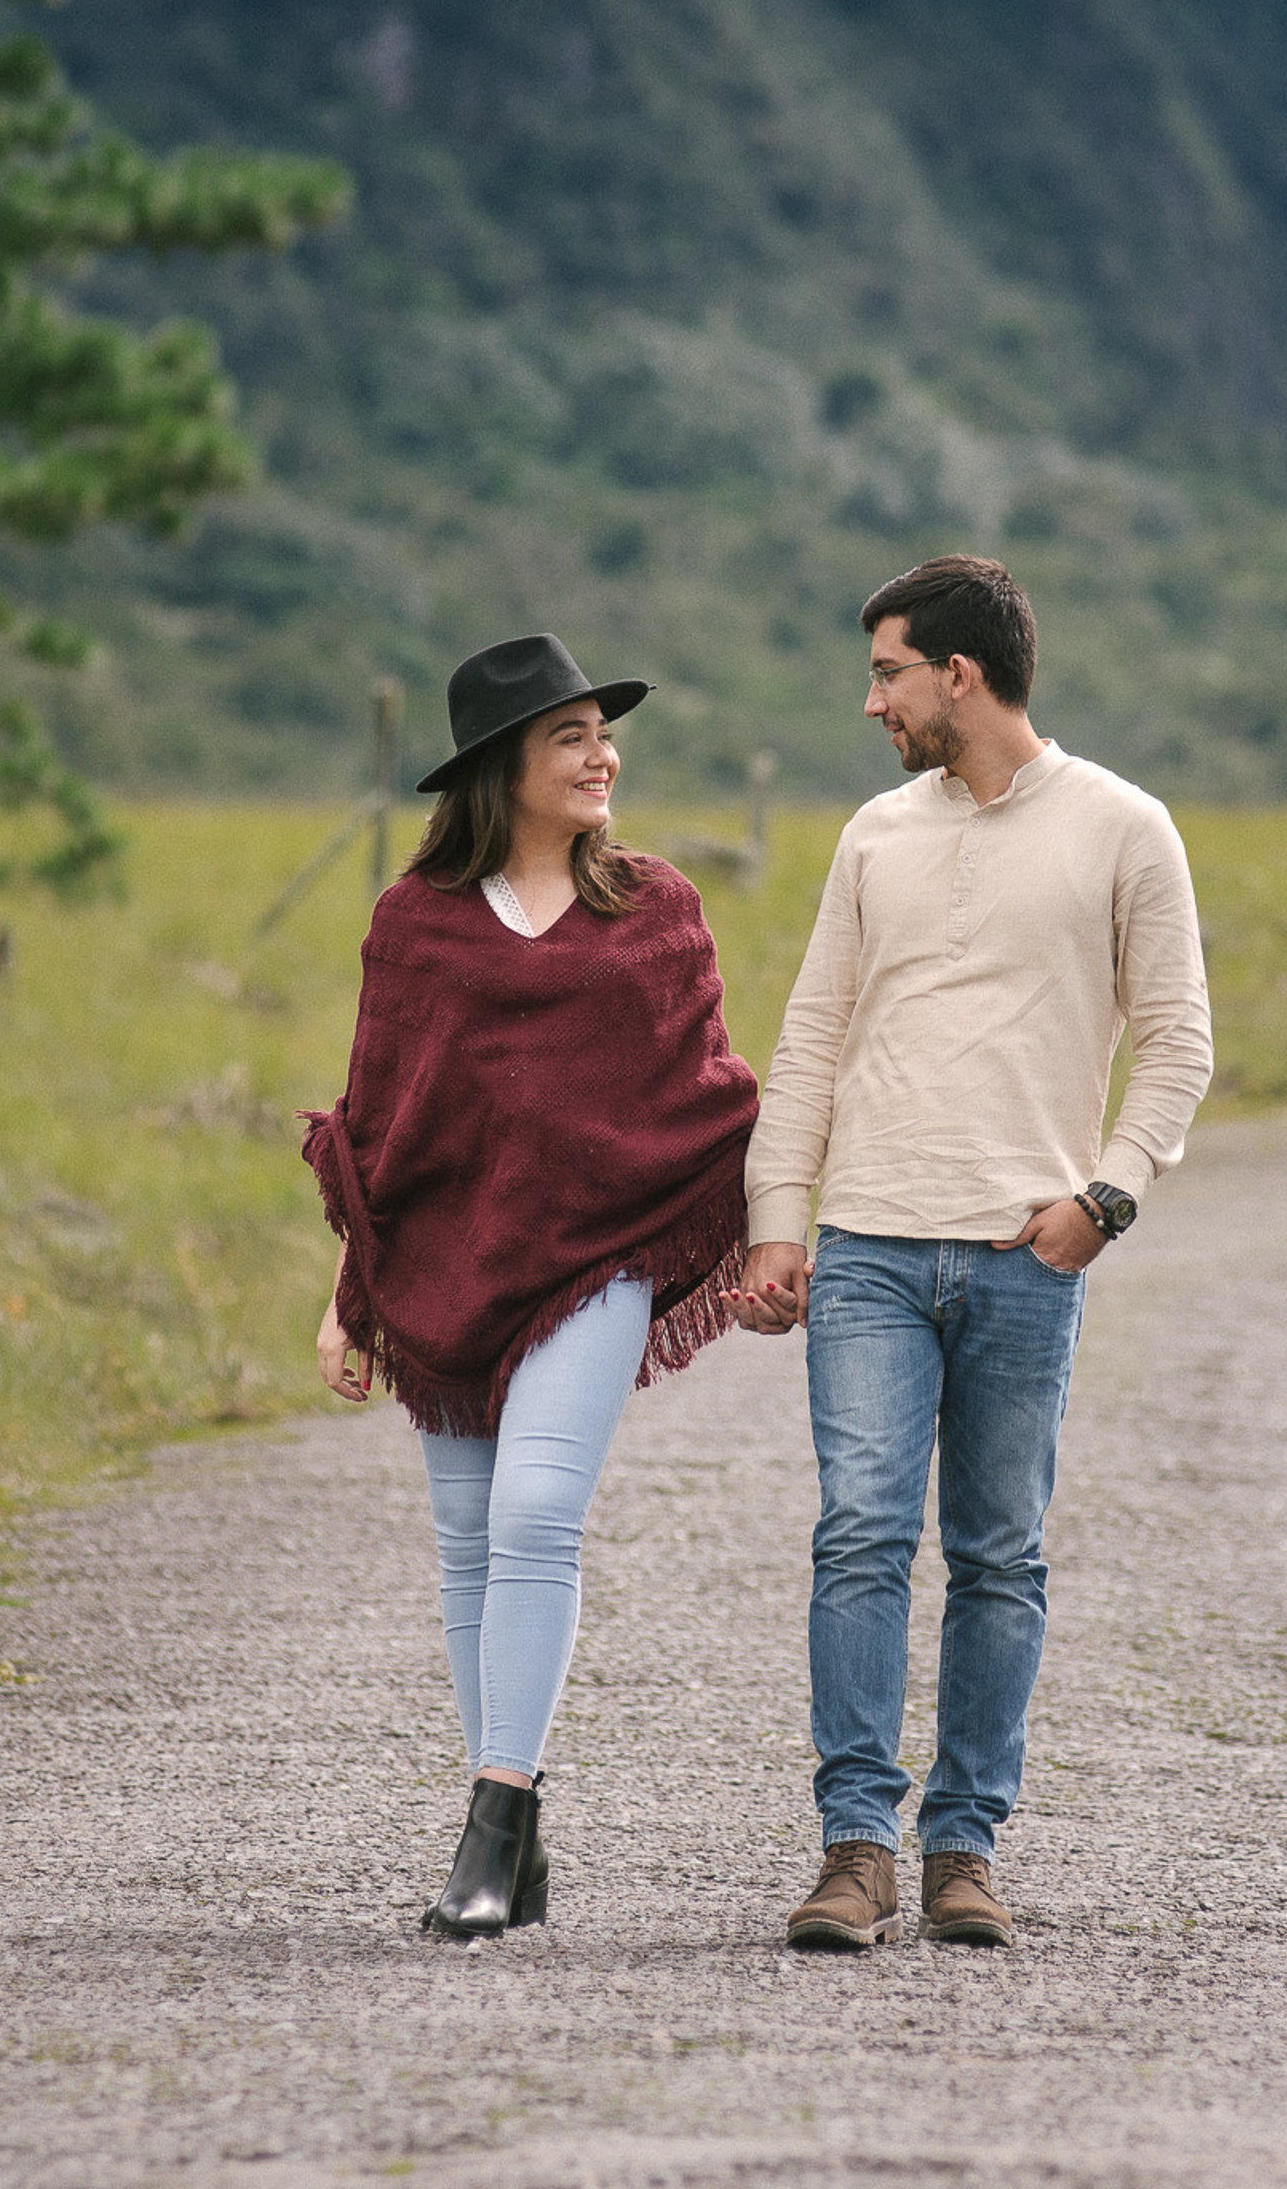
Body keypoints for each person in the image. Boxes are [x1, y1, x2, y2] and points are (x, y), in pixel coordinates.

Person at [733, 555, 1214, 1950]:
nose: (870, 698)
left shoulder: (1126, 828)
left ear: (961, 672)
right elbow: (812, 1036)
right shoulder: (874, 834)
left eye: (888, 670)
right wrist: (778, 1220)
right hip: (870, 1247)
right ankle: (854, 1852)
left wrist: (1104, 1203)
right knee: (860, 1537)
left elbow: (1177, 1044)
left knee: (999, 1555)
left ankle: (964, 1852)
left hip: (1024, 1253)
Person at [304, 632, 758, 1940]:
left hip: (602, 1257)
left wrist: (774, 1227)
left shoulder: (657, 909)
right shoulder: (417, 925)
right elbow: (382, 1128)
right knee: (468, 1545)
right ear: (503, 768)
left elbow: (706, 1102)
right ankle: (511, 1823)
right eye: (572, 738)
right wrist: (352, 1294)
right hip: (447, 1264)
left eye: (604, 735)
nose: (604, 756)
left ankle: (492, 1829)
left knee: (540, 1510)